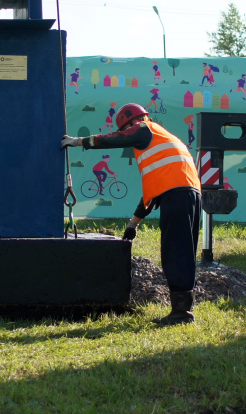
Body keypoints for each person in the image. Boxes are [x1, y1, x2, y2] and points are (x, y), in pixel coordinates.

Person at [62, 103, 201, 325]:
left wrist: (78, 142)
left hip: (178, 197)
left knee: (175, 252)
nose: (127, 133)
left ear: (131, 122)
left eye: (126, 129)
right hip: (189, 195)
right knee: (183, 251)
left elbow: (115, 138)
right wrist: (133, 224)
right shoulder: (160, 142)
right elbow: (152, 194)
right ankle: (182, 312)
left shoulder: (145, 129)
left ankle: (181, 315)